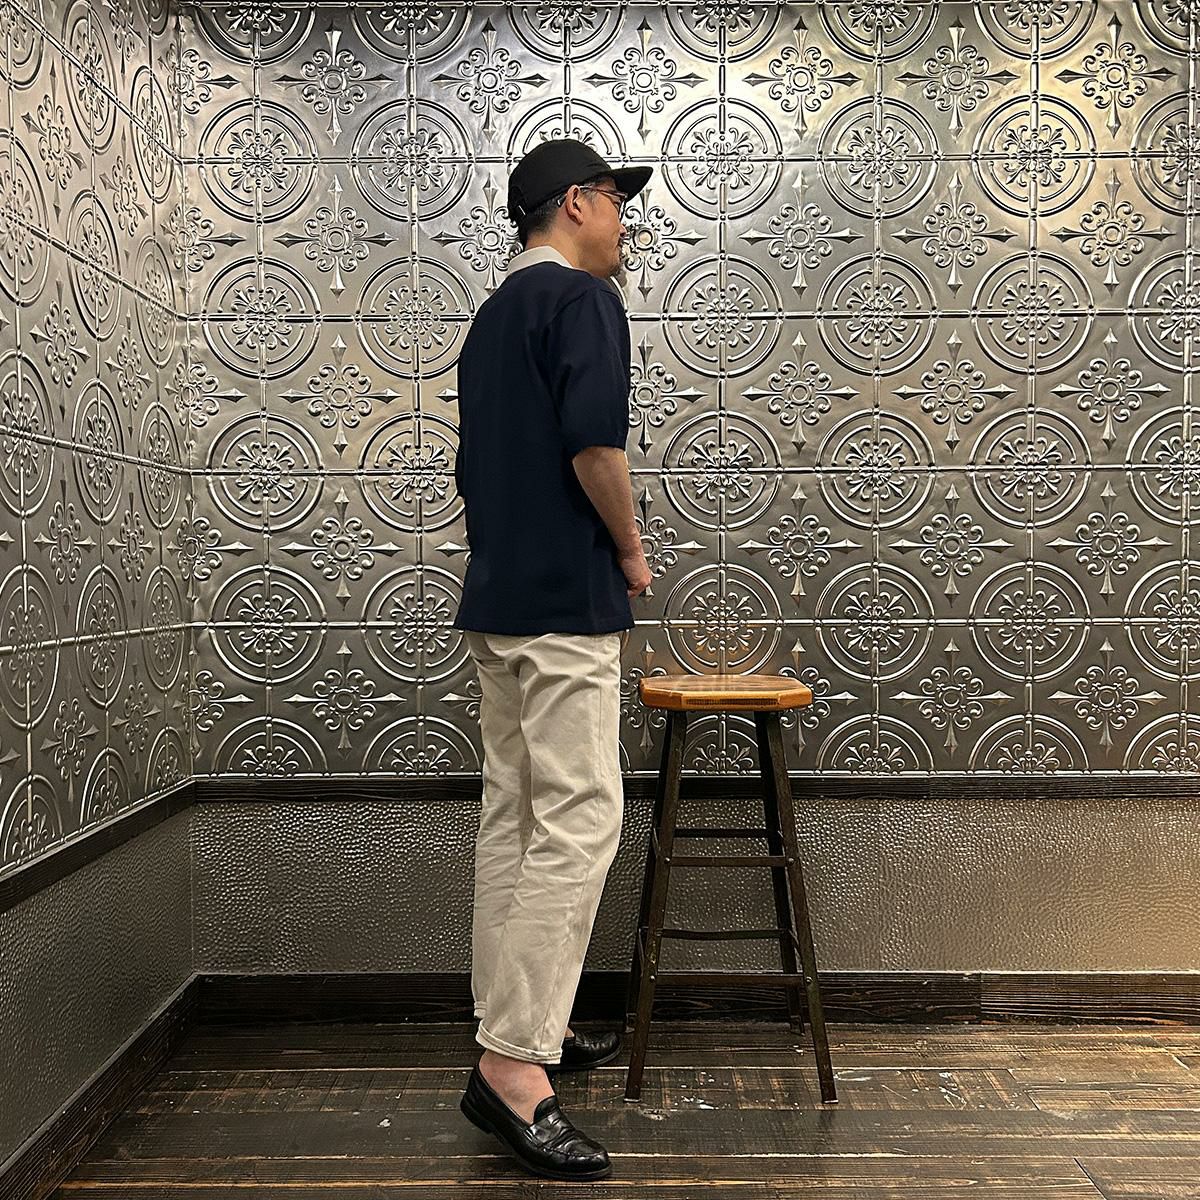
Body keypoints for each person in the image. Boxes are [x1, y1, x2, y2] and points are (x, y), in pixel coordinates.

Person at [451, 139, 654, 1181]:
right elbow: (594, 446)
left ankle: (525, 1020)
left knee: (517, 816)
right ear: (574, 203)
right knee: (579, 820)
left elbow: (472, 470)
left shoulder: (491, 317)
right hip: (567, 605)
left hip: (497, 602)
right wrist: (630, 548)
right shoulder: (582, 299)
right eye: (615, 201)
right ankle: (512, 1069)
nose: (624, 223)